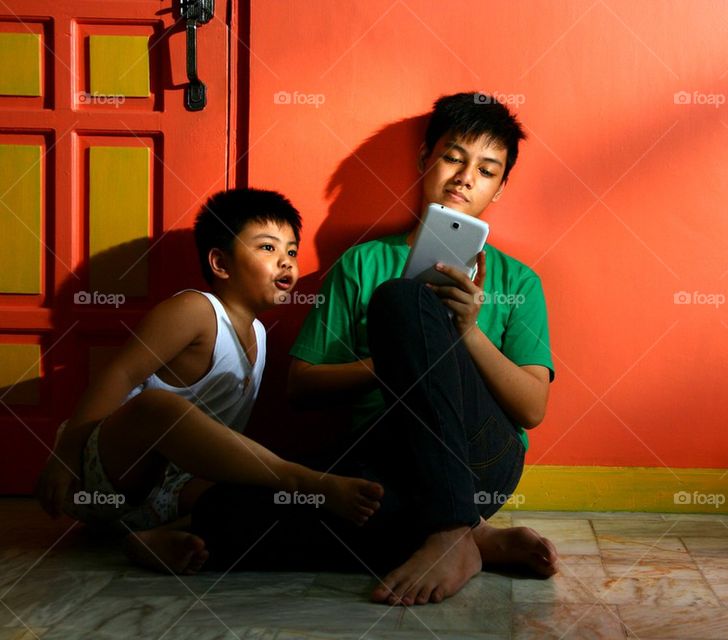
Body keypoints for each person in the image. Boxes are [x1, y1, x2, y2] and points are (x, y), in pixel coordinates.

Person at [189, 92, 560, 605]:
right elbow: (302, 386)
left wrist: (466, 332)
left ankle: (452, 530)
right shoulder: (363, 263)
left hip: (482, 457)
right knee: (219, 517)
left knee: (403, 299)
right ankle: (474, 538)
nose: (465, 177)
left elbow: (531, 408)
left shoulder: (519, 282)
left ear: (499, 188)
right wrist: (398, 363)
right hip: (383, 456)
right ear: (424, 159)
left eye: (486, 170)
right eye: (453, 157)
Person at [35, 188, 384, 574]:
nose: (286, 263)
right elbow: (120, 373)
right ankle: (303, 480)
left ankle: (150, 539)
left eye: (292, 251)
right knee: (159, 408)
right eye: (268, 248)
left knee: (262, 492)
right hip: (114, 470)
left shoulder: (261, 336)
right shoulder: (196, 310)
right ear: (220, 262)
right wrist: (64, 457)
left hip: (174, 490)